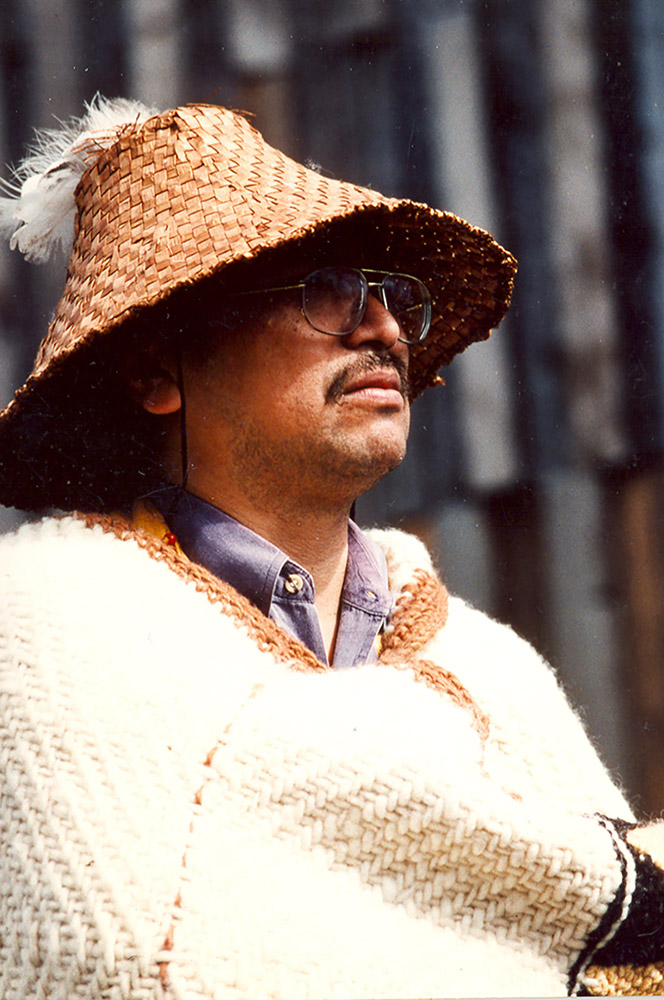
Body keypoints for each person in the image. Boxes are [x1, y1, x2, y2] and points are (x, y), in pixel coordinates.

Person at [0, 97, 662, 999]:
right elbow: (107, 959)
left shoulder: (489, 665)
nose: (383, 327)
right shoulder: (45, 623)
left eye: (392, 295)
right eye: (321, 289)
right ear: (159, 370)